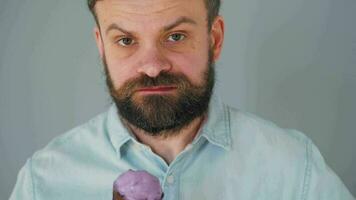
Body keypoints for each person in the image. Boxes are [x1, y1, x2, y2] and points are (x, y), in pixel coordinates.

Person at [9, 0, 355, 199]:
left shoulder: (295, 172)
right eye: (126, 41)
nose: (152, 66)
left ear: (214, 39)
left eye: (175, 36)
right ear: (102, 48)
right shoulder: (44, 183)